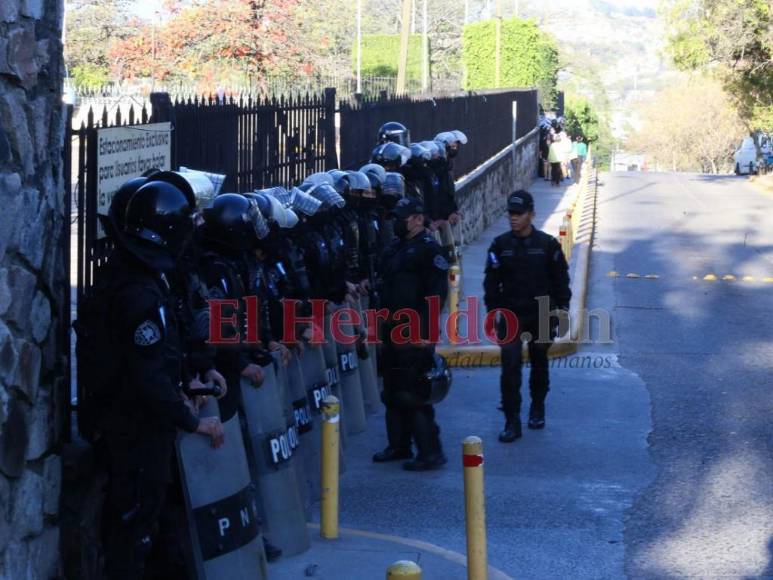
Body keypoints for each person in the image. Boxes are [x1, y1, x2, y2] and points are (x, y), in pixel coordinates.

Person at [100, 180, 225, 580]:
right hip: (134, 431)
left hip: (146, 425)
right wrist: (191, 421)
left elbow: (168, 349)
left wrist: (193, 377)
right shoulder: (138, 293)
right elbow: (147, 376)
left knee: (153, 525)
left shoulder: (149, 276)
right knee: (133, 530)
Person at [483, 191, 571, 443]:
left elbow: (560, 279)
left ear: (532, 214)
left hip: (541, 313)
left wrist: (561, 308)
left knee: (539, 361)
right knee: (509, 367)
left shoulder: (547, 245)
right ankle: (512, 420)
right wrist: (493, 311)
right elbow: (491, 282)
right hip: (510, 315)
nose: (513, 218)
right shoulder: (500, 246)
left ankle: (537, 408)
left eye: (519, 214)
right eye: (510, 213)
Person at [373, 197, 449, 471]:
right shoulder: (395, 248)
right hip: (391, 329)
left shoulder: (429, 250)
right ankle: (399, 445)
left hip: (415, 332)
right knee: (392, 391)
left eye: (402, 217)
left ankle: (430, 452)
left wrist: (426, 334)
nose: (396, 222)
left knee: (414, 393)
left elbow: (436, 294)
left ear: (417, 219)